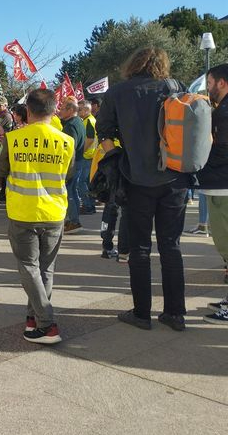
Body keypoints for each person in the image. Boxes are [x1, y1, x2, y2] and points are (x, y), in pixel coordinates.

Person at [98, 47, 189, 332]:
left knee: (139, 248)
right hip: (175, 178)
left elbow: (104, 133)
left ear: (132, 63)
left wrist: (115, 161)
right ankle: (175, 314)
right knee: (171, 247)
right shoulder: (175, 87)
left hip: (136, 178)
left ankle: (142, 313)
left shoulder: (118, 92)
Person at [0, 88, 75, 344]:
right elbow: (69, 174)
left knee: (29, 267)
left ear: (27, 111)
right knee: (45, 269)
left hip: (23, 210)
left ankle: (47, 323)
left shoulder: (14, 138)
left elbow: (1, 170)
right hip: (53, 212)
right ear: (54, 111)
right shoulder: (66, 141)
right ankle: (34, 320)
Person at [196, 63, 228, 324]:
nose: (208, 88)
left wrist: (201, 164)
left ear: (221, 83)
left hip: (223, 186)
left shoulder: (225, 112)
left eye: (209, 82)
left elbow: (222, 150)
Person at [59, 99, 85, 233]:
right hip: (78, 161)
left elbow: (70, 147)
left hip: (73, 163)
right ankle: (73, 220)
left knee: (69, 192)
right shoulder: (78, 122)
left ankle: (74, 221)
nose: (60, 110)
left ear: (70, 110)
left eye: (62, 108)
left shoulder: (71, 125)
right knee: (73, 191)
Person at [77, 100, 97, 215]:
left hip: (86, 155)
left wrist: (81, 150)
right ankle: (90, 205)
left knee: (82, 182)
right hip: (91, 155)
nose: (78, 111)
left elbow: (90, 139)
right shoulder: (90, 120)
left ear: (86, 110)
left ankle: (88, 205)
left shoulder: (89, 121)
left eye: (80, 109)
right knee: (87, 183)